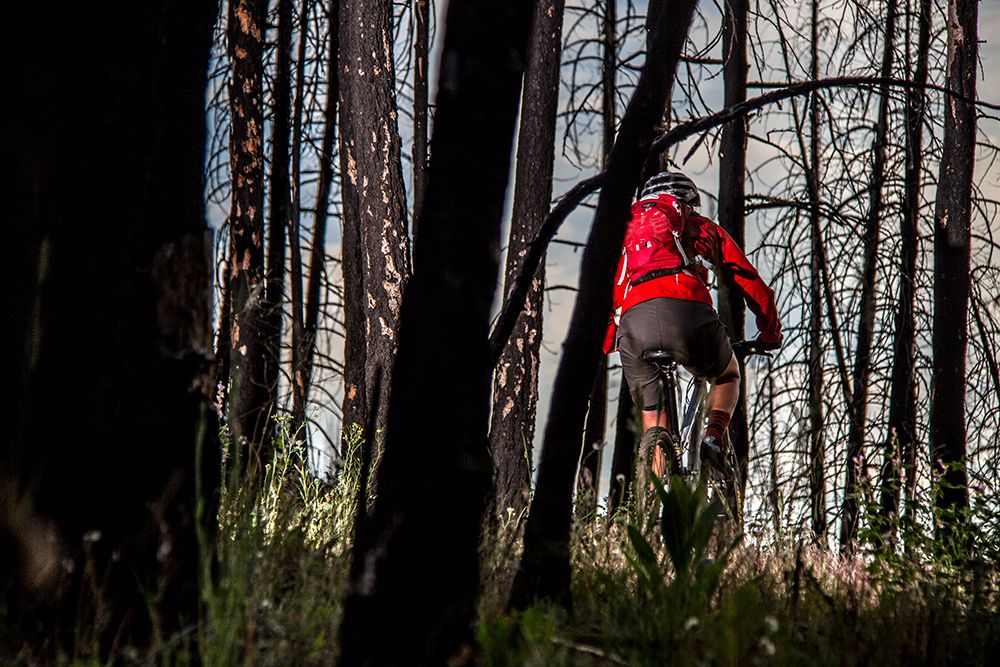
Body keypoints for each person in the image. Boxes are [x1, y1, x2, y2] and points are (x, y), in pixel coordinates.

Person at [603, 171, 782, 480]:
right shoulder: (696, 224)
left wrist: (610, 343)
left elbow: (613, 296)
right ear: (685, 203)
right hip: (687, 311)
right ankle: (712, 436)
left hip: (634, 325)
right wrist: (770, 331)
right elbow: (747, 278)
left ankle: (652, 504)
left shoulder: (628, 239)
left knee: (654, 422)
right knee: (727, 375)